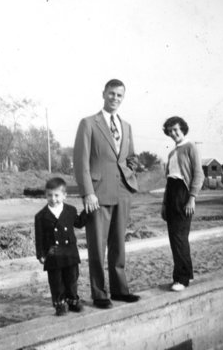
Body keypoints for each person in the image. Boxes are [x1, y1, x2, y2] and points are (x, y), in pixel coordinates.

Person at [74, 79, 140, 309]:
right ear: (103, 93)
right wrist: (87, 193)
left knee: (119, 244)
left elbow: (131, 157)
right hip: (98, 194)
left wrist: (129, 173)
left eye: (119, 95)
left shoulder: (127, 126)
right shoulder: (89, 123)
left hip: (123, 192)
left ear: (123, 98)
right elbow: (80, 162)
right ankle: (100, 294)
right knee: (97, 245)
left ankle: (121, 290)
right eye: (111, 94)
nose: (115, 98)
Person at [161, 116, 204, 291]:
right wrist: (164, 204)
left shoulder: (190, 146)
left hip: (183, 193)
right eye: (170, 131)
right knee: (176, 237)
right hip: (171, 193)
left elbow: (199, 174)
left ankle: (182, 279)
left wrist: (192, 198)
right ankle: (188, 274)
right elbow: (169, 180)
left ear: (183, 129)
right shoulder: (172, 152)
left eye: (176, 129)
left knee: (179, 237)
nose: (173, 133)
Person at [34, 177, 86, 316]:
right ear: (45, 195)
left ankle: (72, 300)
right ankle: (60, 304)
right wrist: (40, 254)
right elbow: (39, 237)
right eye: (49, 195)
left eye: (56, 195)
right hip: (53, 254)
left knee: (72, 278)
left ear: (64, 195)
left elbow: (79, 223)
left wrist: (88, 210)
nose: (53, 199)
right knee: (56, 281)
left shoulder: (70, 210)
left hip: (70, 253)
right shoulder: (41, 216)